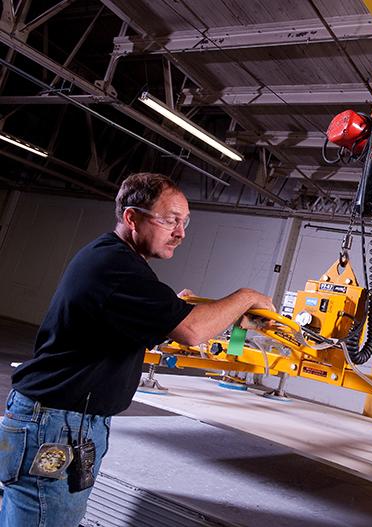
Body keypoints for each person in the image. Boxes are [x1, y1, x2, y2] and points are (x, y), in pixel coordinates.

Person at [0, 172, 274, 526]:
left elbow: (136, 327)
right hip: (56, 426)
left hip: (57, 421)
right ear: (131, 217)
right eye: (171, 220)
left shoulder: (113, 260)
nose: (181, 233)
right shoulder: (118, 268)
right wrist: (246, 297)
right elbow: (192, 331)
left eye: (185, 222)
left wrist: (173, 312)